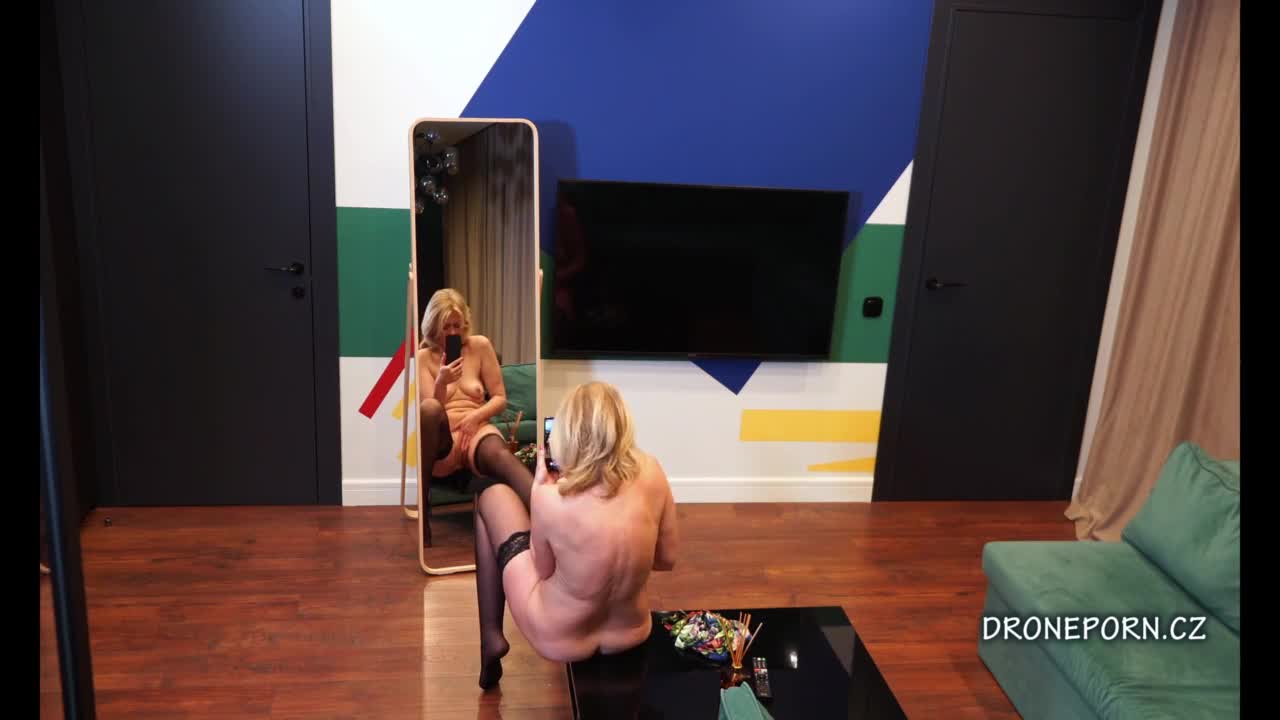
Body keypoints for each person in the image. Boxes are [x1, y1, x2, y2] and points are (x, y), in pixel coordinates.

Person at [472, 381, 679, 690]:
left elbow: (543, 570)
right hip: (632, 631)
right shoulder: (653, 472)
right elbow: (666, 559)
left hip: (559, 638)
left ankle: (491, 637)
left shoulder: (550, 496)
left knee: (492, 495)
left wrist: (540, 493)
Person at [417, 289, 535, 545]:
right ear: (433, 326)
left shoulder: (480, 346)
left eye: (457, 325)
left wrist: (475, 418)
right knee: (429, 409)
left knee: (500, 455)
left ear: (465, 323)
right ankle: (423, 512)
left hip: (477, 427)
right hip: (444, 436)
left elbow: (499, 398)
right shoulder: (423, 358)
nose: (452, 332)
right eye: (445, 326)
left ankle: (547, 516)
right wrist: (441, 381)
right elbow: (431, 408)